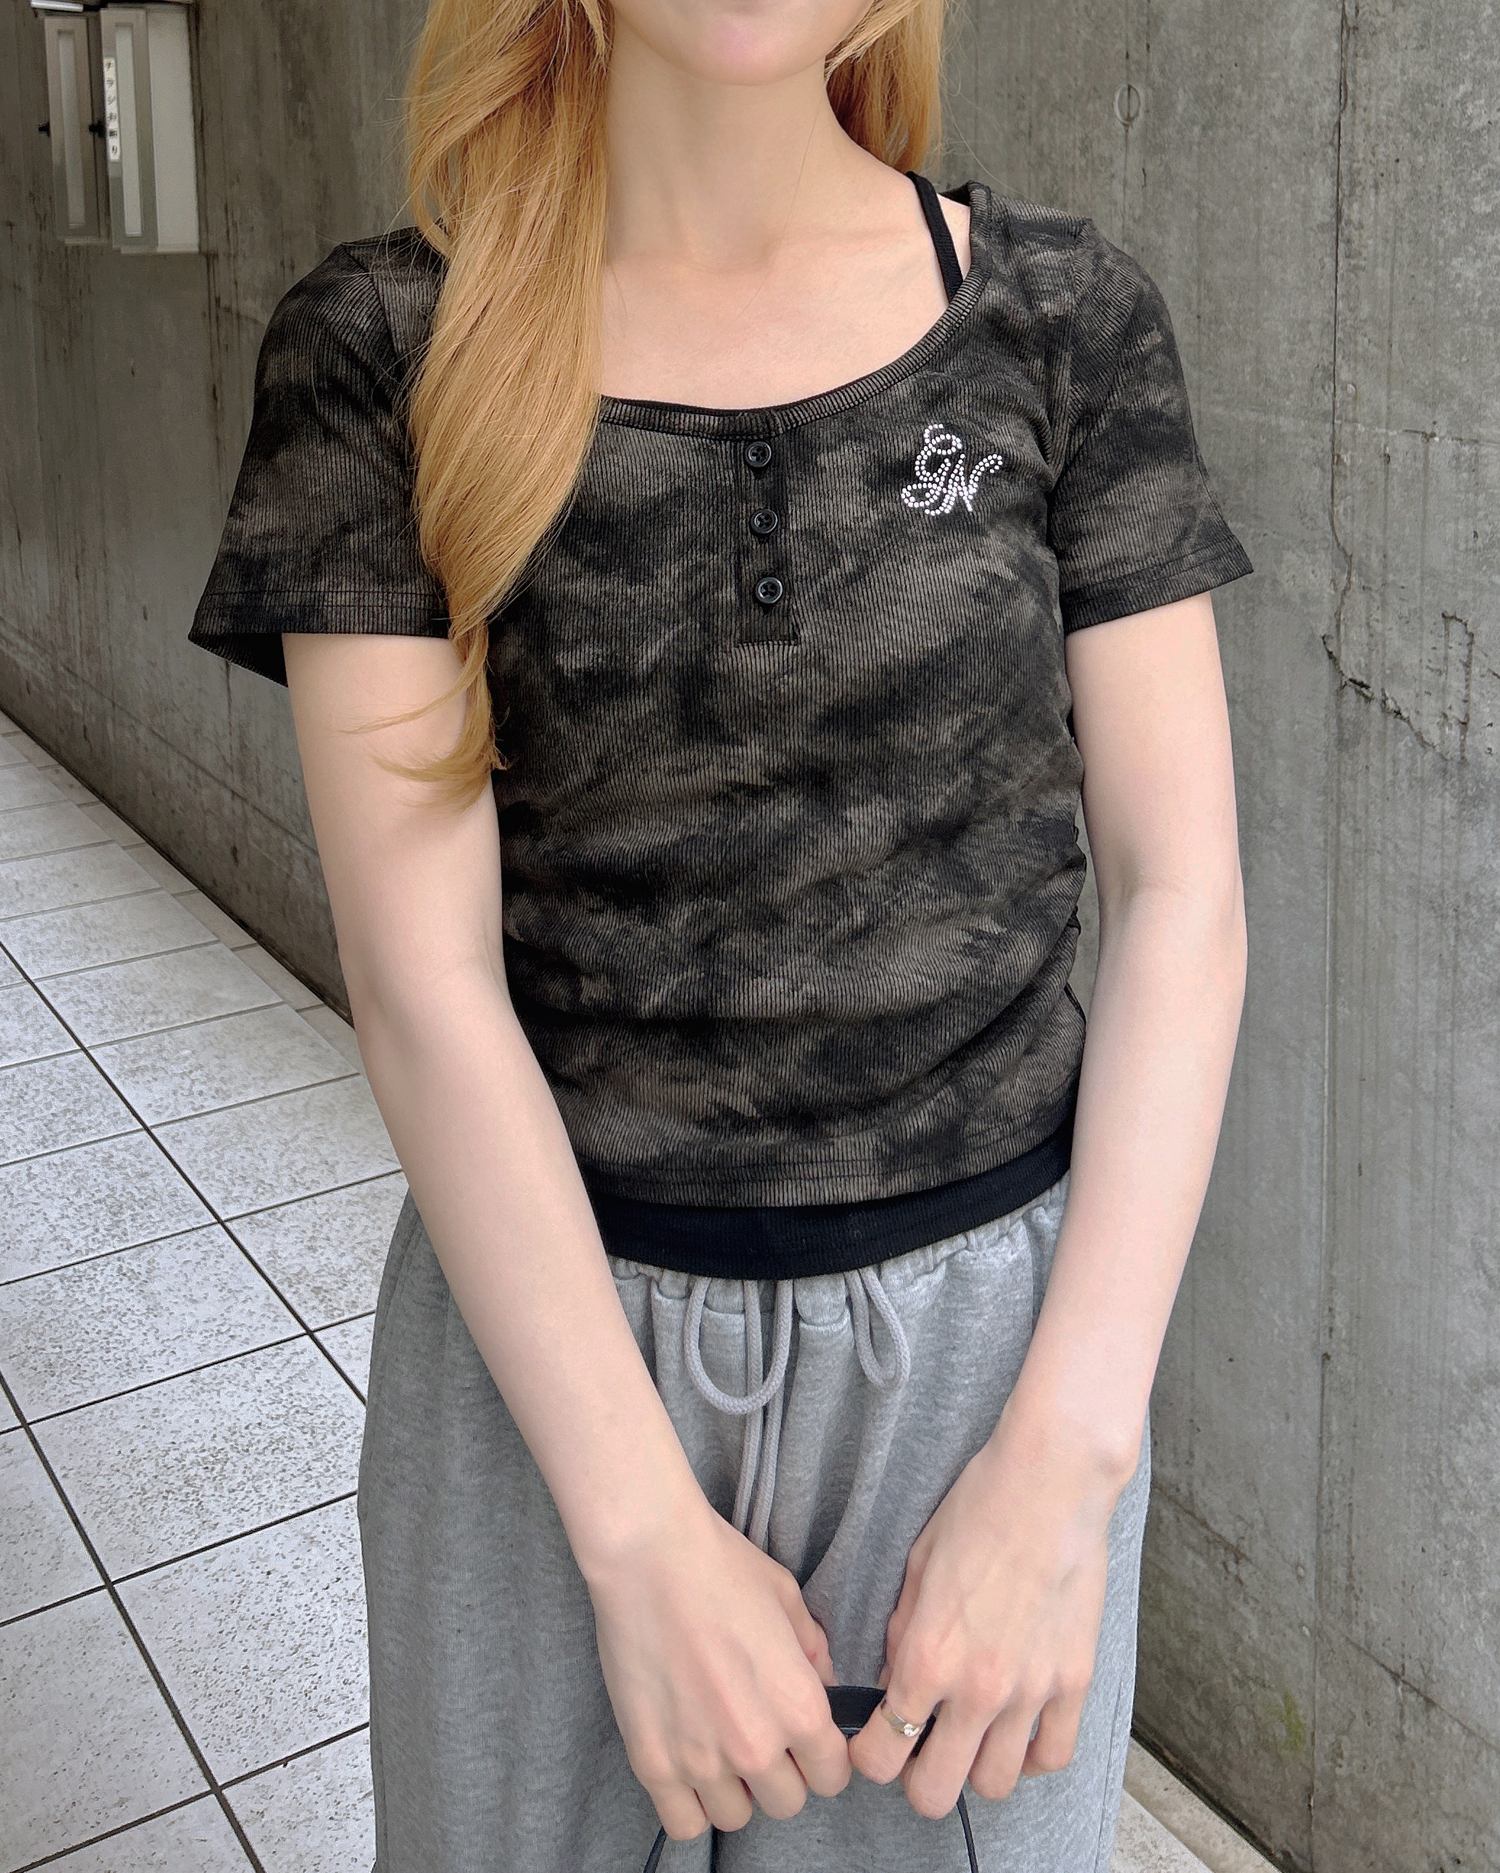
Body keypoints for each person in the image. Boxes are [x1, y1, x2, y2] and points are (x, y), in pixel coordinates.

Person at [188, 2, 1253, 1868]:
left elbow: (1185, 895)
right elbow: (422, 984)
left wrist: (1064, 1463)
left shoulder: (1062, 319)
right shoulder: (386, 345)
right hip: (550, 1358)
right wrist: (632, 1533)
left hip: (990, 1381)